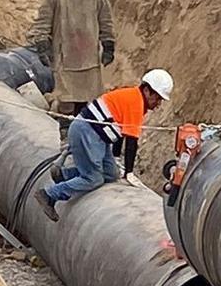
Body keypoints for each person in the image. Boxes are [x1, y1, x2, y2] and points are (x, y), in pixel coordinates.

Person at [37, 69, 173, 220]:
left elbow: (121, 132)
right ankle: (50, 194)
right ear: (147, 91)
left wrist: (116, 158)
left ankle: (65, 175)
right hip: (87, 132)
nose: (158, 104)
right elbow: (131, 142)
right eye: (157, 98)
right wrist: (129, 173)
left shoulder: (134, 98)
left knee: (111, 173)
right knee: (93, 178)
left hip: (96, 136)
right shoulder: (136, 102)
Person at [27, 0, 116, 116]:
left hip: (90, 62)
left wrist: (108, 45)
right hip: (65, 61)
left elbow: (106, 23)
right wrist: (42, 45)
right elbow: (43, 23)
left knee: (89, 105)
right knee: (66, 105)